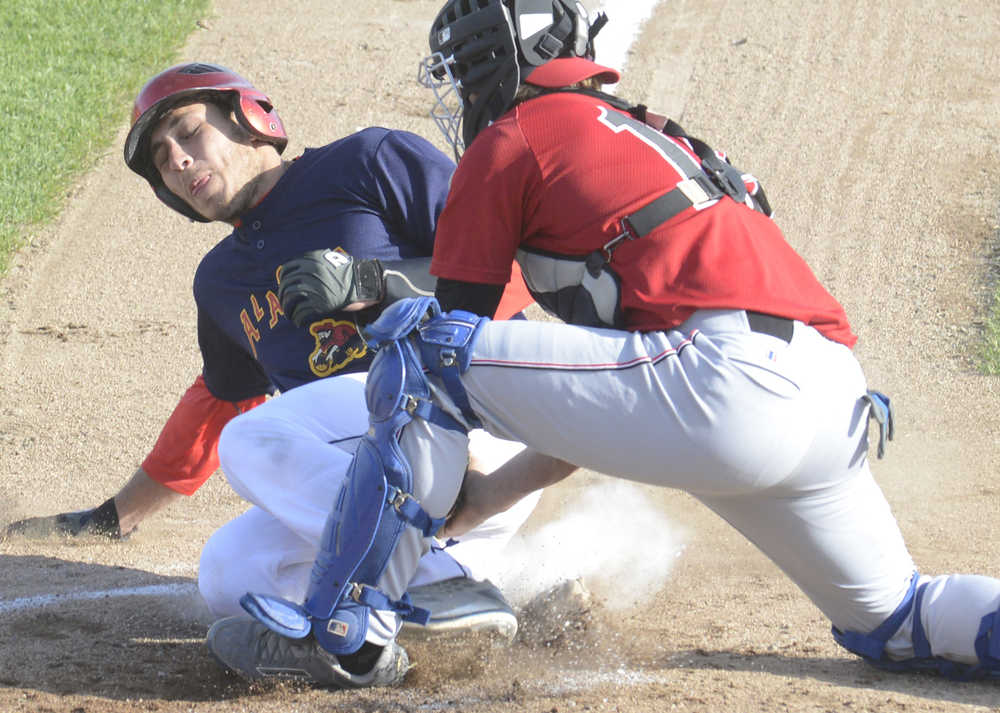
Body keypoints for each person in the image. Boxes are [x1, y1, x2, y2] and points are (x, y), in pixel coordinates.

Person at [203, 0, 1000, 690]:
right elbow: (599, 399)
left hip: (721, 384)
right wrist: (488, 497)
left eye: (462, 68)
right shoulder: (660, 141)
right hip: (828, 397)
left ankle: (348, 629)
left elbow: (453, 336)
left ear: (493, 60)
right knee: (898, 619)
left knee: (426, 351)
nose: (461, 88)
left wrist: (372, 287)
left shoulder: (515, 135)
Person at [3, 61, 542, 641]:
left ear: (249, 118)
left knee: (255, 440)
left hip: (470, 429)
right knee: (230, 573)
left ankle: (441, 588)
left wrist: (375, 282)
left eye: (187, 132)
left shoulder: (367, 160)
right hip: (383, 484)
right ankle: (445, 598)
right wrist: (118, 515)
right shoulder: (220, 281)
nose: (179, 161)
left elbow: (517, 265)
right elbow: (220, 401)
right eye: (162, 159)